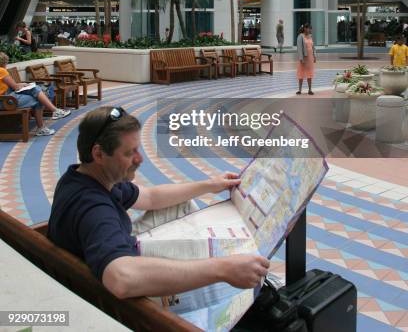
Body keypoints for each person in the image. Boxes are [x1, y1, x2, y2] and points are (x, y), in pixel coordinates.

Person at [48, 107, 269, 299]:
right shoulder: (94, 209)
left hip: (103, 251)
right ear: (98, 154)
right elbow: (121, 279)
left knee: (181, 205)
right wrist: (222, 269)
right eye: (130, 152)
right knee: (210, 259)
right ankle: (227, 271)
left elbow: (151, 197)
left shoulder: (91, 178)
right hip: (111, 294)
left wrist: (211, 185)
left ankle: (217, 260)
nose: (140, 159)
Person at [0, 52, 71, 136]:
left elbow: (12, 86)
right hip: (5, 101)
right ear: (4, 62)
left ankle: (53, 114)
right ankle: (50, 117)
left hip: (6, 98)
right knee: (38, 97)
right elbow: (15, 87)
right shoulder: (2, 70)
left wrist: (22, 85)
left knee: (37, 92)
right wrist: (22, 85)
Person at [296, 23, 316, 95]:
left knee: (309, 73)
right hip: (303, 58)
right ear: (305, 28)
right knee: (301, 73)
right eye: (309, 28)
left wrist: (314, 56)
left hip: (310, 58)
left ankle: (310, 90)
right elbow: (299, 48)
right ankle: (299, 90)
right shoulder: (300, 36)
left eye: (310, 28)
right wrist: (301, 58)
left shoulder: (310, 36)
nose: (310, 30)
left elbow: (313, 47)